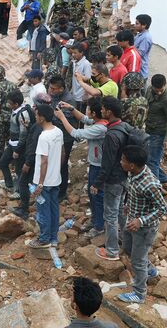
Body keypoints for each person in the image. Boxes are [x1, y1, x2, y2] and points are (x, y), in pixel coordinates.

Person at [116, 145, 167, 304]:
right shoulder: (132, 173)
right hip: (132, 221)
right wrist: (128, 206)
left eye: (123, 160)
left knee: (137, 261)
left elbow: (162, 208)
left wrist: (140, 221)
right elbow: (134, 193)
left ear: (131, 164)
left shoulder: (150, 184)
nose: (120, 162)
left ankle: (139, 294)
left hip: (144, 228)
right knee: (128, 249)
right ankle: (150, 270)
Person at [56, 97, 108, 238]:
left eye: (88, 108)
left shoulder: (99, 128)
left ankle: (99, 226)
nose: (86, 111)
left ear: (94, 113)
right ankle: (96, 220)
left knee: (96, 195)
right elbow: (85, 119)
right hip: (95, 164)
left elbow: (76, 133)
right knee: (93, 194)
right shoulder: (99, 122)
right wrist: (71, 109)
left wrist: (62, 117)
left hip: (98, 166)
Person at [94, 97, 131, 261]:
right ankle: (126, 242)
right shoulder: (124, 127)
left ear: (109, 111)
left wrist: (97, 183)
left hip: (113, 181)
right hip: (124, 178)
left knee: (110, 216)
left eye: (103, 109)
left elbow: (107, 164)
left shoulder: (111, 136)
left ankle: (111, 251)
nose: (101, 111)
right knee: (121, 212)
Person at [27, 104, 64, 249]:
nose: (35, 117)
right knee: (54, 209)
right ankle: (53, 237)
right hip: (55, 179)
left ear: (42, 118)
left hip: (43, 182)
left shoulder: (44, 137)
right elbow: (62, 153)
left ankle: (44, 239)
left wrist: (40, 183)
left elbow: (44, 161)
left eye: (36, 115)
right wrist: (56, 170)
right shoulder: (58, 132)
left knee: (43, 211)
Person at [0, 90, 32, 198]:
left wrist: (17, 150)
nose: (8, 104)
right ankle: (9, 184)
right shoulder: (15, 111)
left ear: (16, 104)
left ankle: (19, 191)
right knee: (3, 163)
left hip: (18, 146)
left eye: (9, 103)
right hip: (12, 143)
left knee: (19, 169)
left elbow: (23, 134)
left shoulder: (22, 115)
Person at [144, 74, 167, 184]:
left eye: (161, 90)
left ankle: (154, 188)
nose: (158, 92)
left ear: (165, 85)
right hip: (148, 129)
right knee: (150, 159)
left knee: (152, 160)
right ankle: (162, 178)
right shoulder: (148, 90)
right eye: (156, 90)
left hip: (159, 133)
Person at [0, 65, 18, 163]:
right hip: (11, 117)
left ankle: (0, 161)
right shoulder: (13, 85)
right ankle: (11, 160)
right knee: (10, 138)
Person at [70, 43, 92, 113]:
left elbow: (88, 80)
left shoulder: (86, 64)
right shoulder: (74, 62)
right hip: (75, 94)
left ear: (81, 53)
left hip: (81, 97)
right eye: (72, 53)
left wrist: (85, 95)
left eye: (75, 53)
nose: (73, 55)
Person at [134, 14, 153, 84]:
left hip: (140, 72)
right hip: (137, 70)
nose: (135, 25)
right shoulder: (140, 35)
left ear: (144, 25)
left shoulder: (146, 37)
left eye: (137, 23)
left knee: (140, 94)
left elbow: (140, 53)